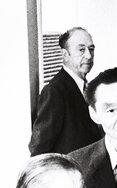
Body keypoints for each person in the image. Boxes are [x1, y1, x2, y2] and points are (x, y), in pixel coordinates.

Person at [29, 27, 101, 156]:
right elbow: (39, 148)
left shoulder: (89, 87)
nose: (89, 56)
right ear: (65, 55)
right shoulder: (54, 91)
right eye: (81, 50)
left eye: (91, 49)